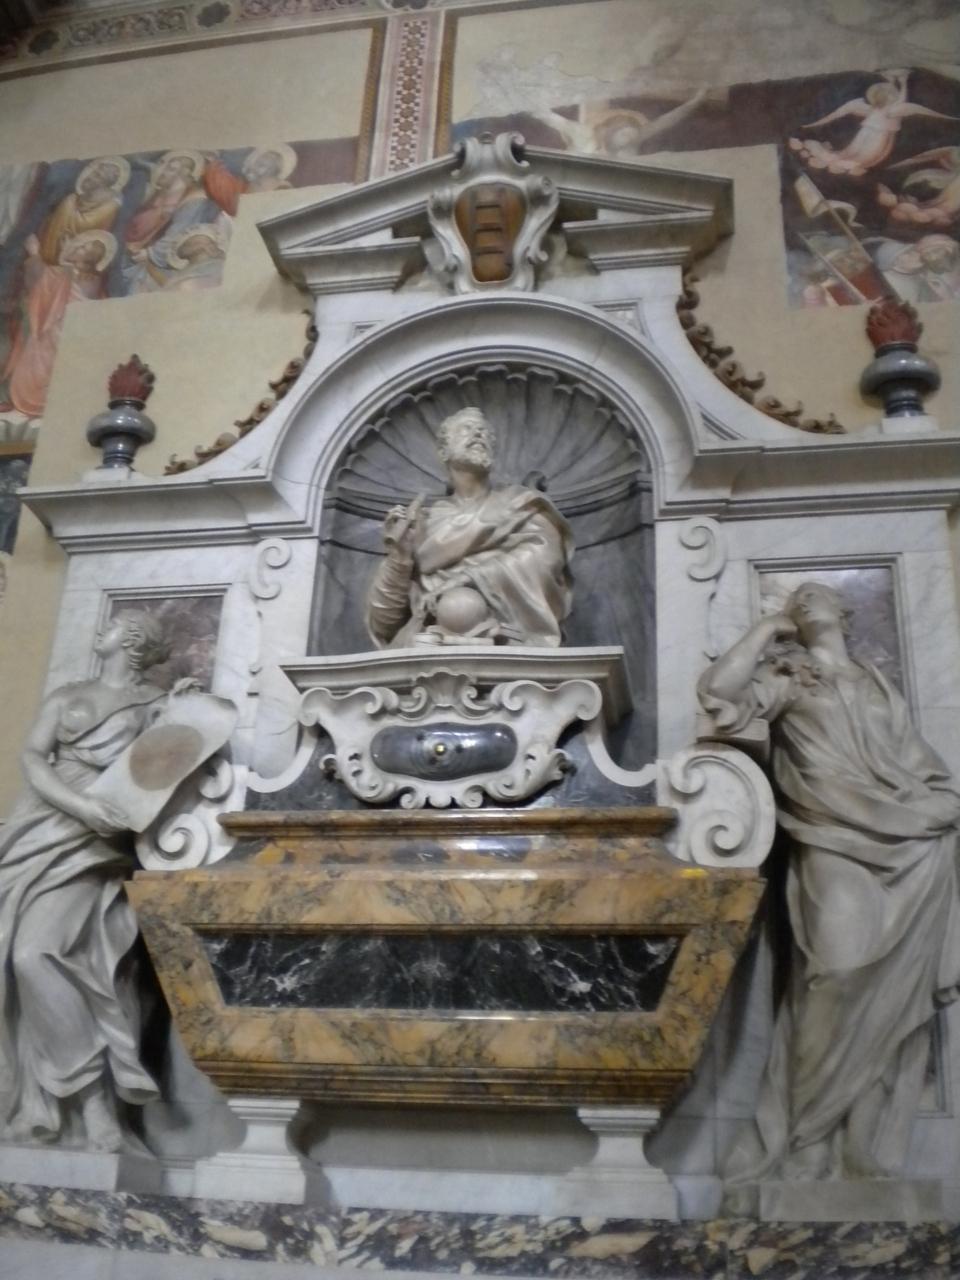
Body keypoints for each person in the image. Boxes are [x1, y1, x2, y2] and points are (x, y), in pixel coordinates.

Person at [699, 582, 960, 1182]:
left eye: (817, 593)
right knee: (836, 974)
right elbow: (720, 692)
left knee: (890, 996)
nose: (806, 598)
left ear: (844, 613)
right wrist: (766, 630)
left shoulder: (877, 685)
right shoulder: (791, 676)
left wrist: (938, 805)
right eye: (798, 596)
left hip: (912, 844)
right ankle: (803, 1133)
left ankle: (855, 1141)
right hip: (830, 837)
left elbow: (919, 765)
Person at [0, 610, 175, 1151]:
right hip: (40, 826)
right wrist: (79, 805)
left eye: (115, 624)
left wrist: (183, 710)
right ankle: (68, 1105)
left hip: (94, 844)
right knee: (17, 956)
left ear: (132, 639)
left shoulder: (155, 705)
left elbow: (165, 768)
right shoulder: (68, 694)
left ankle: (95, 1103)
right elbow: (34, 758)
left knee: (34, 954)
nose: (102, 628)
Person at [366, 407, 573, 648]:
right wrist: (399, 558)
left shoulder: (522, 505)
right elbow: (384, 622)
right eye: (466, 429)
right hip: (429, 643)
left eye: (483, 431)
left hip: (509, 638)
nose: (478, 434)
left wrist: (469, 579)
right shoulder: (423, 524)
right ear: (443, 451)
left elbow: (544, 559)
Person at [789, 70, 960, 178]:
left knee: (867, 154)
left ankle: (851, 162)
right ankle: (849, 162)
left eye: (889, 95)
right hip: (871, 135)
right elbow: (899, 100)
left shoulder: (889, 109)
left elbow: (900, 101)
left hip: (877, 136)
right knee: (858, 152)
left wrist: (901, 82)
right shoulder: (875, 108)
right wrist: (902, 82)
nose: (889, 98)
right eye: (885, 95)